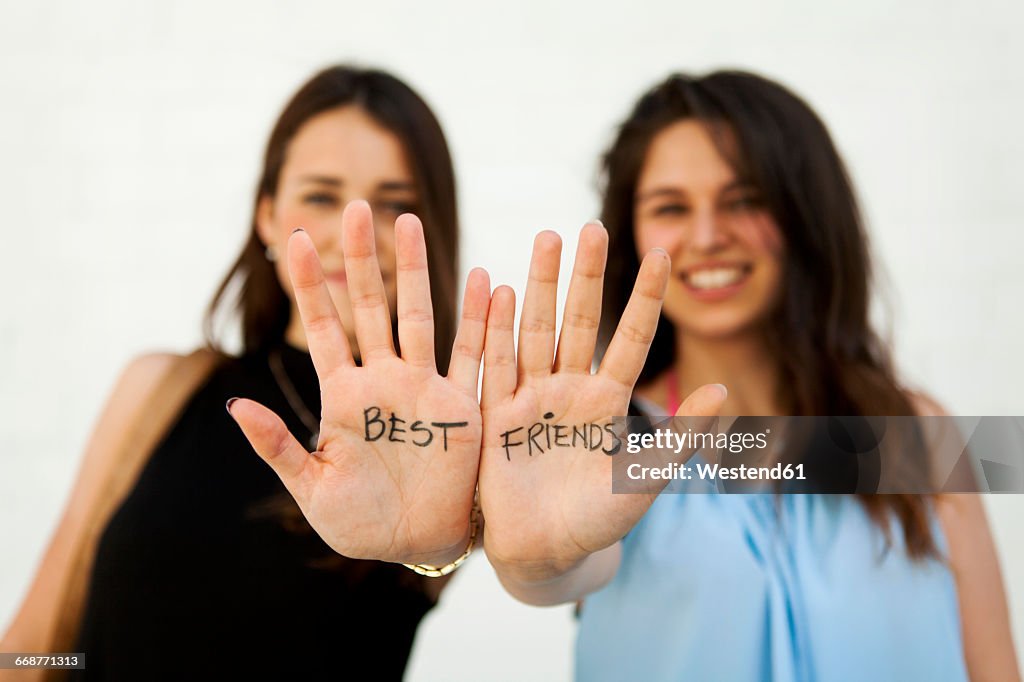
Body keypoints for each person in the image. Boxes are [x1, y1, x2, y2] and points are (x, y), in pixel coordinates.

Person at [481, 71, 1020, 681]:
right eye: (671, 208)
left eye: (745, 200)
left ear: (806, 216)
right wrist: (534, 561)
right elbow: (561, 566)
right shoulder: (611, 441)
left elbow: (995, 668)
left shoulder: (917, 431)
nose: (708, 237)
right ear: (633, 234)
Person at [0, 64, 478, 681]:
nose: (351, 231)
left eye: (394, 204)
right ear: (267, 215)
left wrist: (639, 453)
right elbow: (41, 640)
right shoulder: (160, 392)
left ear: (432, 225)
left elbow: (567, 556)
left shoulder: (449, 428)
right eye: (321, 196)